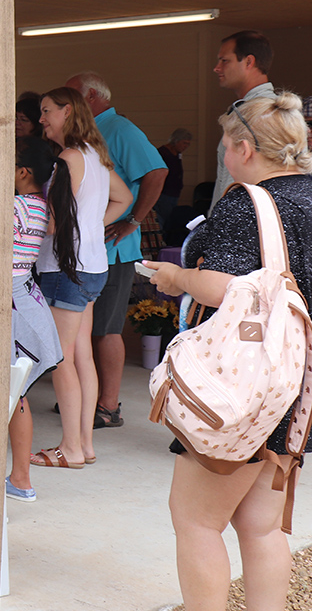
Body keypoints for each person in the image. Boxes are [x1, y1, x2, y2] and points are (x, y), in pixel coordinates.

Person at [144, 92, 312, 611]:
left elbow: (225, 286)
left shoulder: (249, 202)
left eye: (223, 144)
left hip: (243, 388)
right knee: (262, 528)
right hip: (296, 388)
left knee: (196, 521)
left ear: (243, 147)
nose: (221, 155)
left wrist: (176, 276)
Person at [30, 87, 132, 470]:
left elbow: (55, 222)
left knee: (61, 360)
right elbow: (122, 200)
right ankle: (84, 444)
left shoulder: (68, 158)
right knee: (81, 355)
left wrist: (24, 226)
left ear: (67, 111)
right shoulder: (96, 156)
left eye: (47, 111)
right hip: (93, 265)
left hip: (65, 269)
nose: (42, 119)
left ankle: (70, 447)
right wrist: (91, 226)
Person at [66, 72, 167, 430]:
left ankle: (108, 406)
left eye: (72, 95)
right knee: (83, 330)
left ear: (92, 96)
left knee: (106, 330)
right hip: (89, 250)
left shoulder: (119, 128)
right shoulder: (85, 134)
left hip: (114, 249)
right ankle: (86, 400)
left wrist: (133, 220)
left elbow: (157, 171)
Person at [6, 135, 70, 503]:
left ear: (23, 171)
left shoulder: (15, 208)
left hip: (11, 307)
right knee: (18, 395)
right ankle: (21, 478)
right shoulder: (41, 205)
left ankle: (21, 479)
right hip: (28, 300)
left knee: (13, 396)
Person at [211, 31, 276, 213]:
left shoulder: (261, 114)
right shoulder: (249, 111)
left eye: (225, 60)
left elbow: (239, 185)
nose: (217, 68)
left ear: (249, 62)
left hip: (245, 230)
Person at [155, 128, 193, 227]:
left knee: (170, 220)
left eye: (188, 144)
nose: (186, 146)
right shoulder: (162, 153)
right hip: (163, 194)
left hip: (174, 194)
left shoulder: (177, 154)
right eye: (184, 143)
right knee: (163, 220)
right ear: (175, 141)